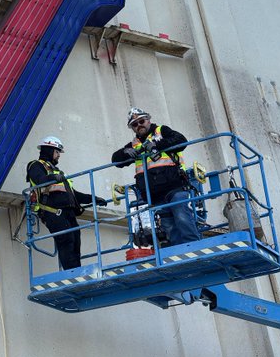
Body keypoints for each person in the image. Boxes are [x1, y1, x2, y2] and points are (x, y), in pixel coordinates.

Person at [111, 107, 201, 246]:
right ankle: (179, 251)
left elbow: (181, 140)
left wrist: (157, 145)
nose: (139, 125)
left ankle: (194, 247)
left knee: (181, 216)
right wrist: (126, 152)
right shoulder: (134, 144)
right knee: (167, 225)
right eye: (135, 124)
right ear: (132, 128)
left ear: (148, 120)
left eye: (141, 121)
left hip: (174, 186)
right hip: (154, 194)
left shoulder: (162, 131)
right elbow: (115, 160)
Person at [25, 135, 107, 271]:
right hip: (52, 212)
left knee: (75, 241)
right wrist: (53, 177)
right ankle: (72, 274)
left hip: (67, 212)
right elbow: (40, 179)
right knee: (66, 241)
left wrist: (92, 198)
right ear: (48, 150)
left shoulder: (58, 172)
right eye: (57, 152)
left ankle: (77, 272)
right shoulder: (35, 165)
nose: (58, 156)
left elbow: (73, 194)